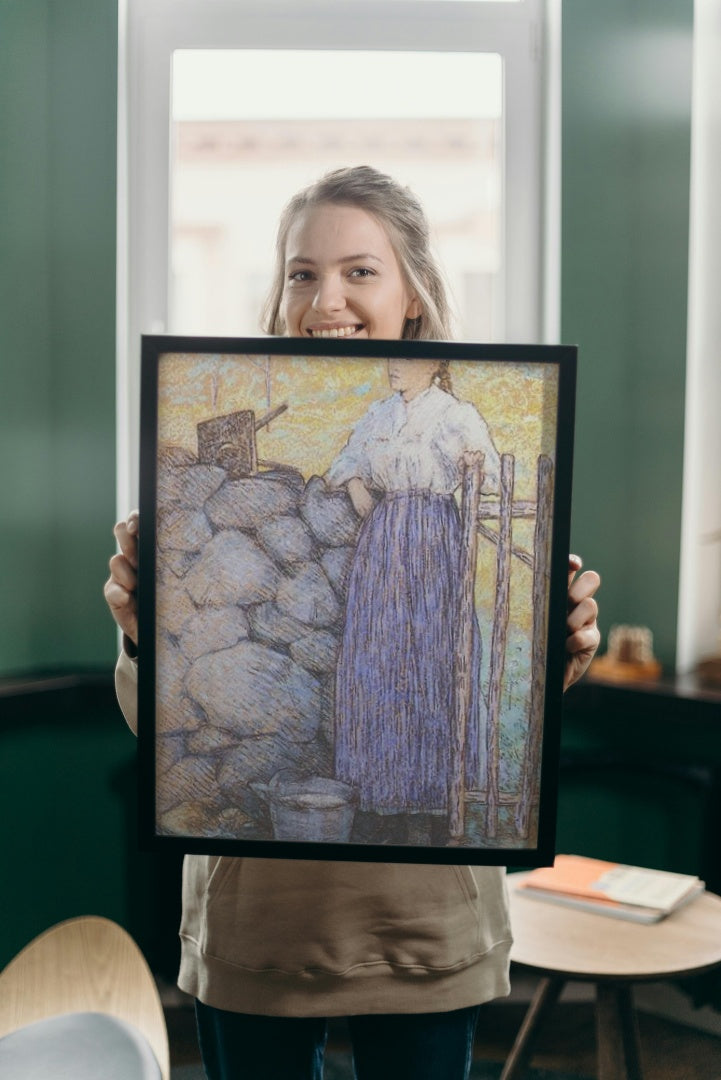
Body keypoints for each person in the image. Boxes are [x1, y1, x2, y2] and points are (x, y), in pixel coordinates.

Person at [105, 166, 601, 1080]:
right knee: (374, 662)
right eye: (301, 272)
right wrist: (144, 632)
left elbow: (513, 659)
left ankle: (409, 789)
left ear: (413, 293)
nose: (324, 297)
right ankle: (372, 776)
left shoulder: (472, 412)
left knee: (425, 665)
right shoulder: (353, 415)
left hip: (422, 929)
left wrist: (556, 650)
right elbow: (161, 729)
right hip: (258, 931)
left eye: (359, 271)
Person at [326, 355, 499, 831]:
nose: (393, 367)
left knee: (430, 655)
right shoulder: (379, 414)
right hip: (383, 539)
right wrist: (358, 484)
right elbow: (344, 462)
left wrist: (473, 467)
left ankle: (432, 795)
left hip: (433, 538)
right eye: (390, 359)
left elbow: (497, 477)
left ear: (434, 366)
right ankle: (379, 792)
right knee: (379, 655)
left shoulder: (454, 414)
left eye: (405, 360)